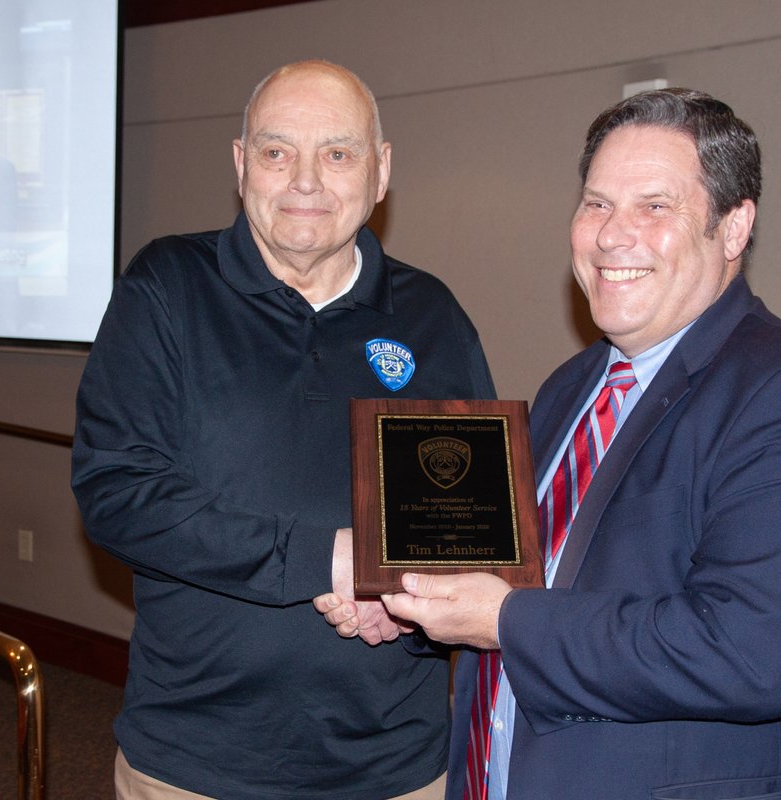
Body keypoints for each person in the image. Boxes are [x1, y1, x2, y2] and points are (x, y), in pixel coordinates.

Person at [319, 88, 781, 799]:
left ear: (735, 226)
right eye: (596, 203)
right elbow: (519, 580)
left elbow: (750, 653)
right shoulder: (574, 386)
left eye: (654, 206)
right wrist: (409, 601)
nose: (610, 234)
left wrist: (503, 619)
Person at [72, 60, 495, 800]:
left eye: (337, 153)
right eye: (276, 152)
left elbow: (470, 534)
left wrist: (408, 601)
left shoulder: (435, 317)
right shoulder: (165, 287)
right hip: (191, 765)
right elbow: (118, 492)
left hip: (397, 768)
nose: (306, 180)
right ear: (241, 166)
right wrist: (328, 560)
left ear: (380, 170)